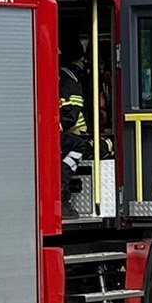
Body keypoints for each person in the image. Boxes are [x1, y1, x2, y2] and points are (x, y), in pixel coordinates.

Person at [58, 46, 92, 218]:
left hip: (59, 129)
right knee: (79, 146)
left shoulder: (61, 74)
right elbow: (72, 110)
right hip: (65, 131)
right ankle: (60, 189)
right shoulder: (70, 77)